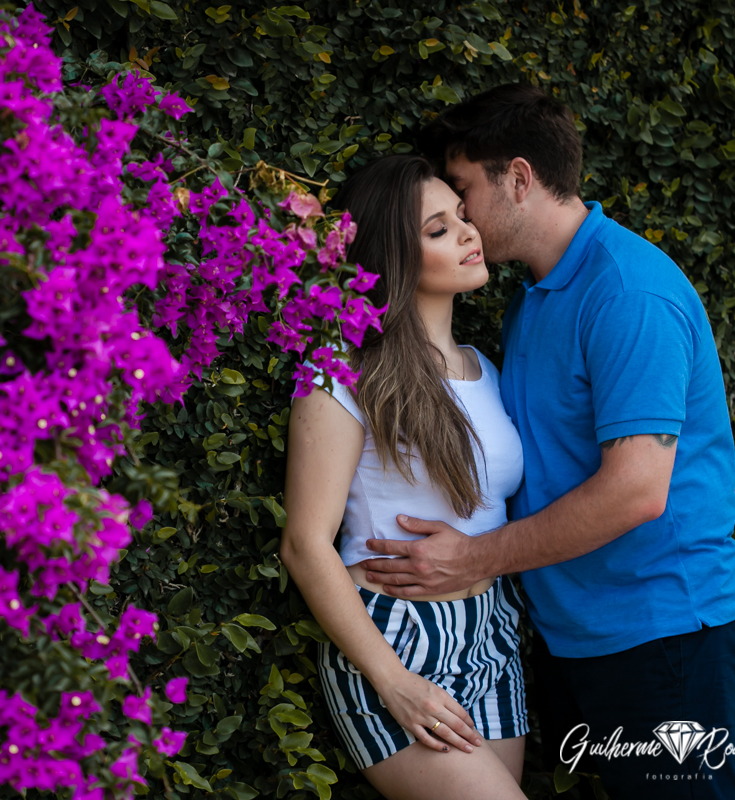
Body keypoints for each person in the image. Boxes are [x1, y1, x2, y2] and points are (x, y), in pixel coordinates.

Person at [358, 84, 735, 799]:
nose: (464, 211)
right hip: (574, 635)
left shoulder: (628, 293)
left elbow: (636, 489)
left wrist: (471, 559)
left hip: (660, 635)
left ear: (518, 178)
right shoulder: (532, 297)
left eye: (466, 188)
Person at [281, 154, 530, 799]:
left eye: (462, 216)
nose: (469, 232)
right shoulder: (342, 368)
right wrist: (395, 681)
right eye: (438, 229)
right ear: (394, 255)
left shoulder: (489, 368)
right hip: (392, 640)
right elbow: (305, 544)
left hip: (491, 634)